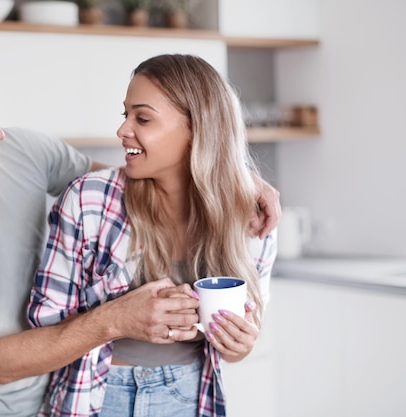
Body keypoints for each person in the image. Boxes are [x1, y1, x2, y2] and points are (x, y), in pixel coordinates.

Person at [0, 47, 280, 417]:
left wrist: (231, 181)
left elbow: (133, 181)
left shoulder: (20, 152)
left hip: (82, 387)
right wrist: (117, 318)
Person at [27, 54, 278, 417]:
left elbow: (244, 332)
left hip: (189, 396)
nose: (123, 130)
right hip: (96, 395)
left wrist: (239, 345)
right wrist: (118, 317)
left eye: (142, 118)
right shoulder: (90, 201)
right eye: (125, 114)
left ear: (197, 130)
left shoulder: (252, 218)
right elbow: (44, 323)